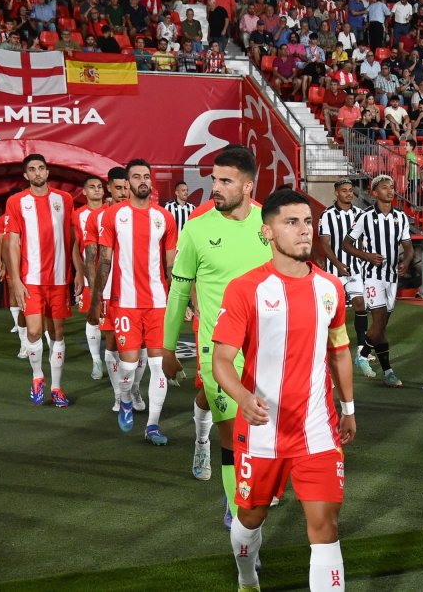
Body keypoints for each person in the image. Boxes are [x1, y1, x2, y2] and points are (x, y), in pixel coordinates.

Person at [214, 189, 356, 592]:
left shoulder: (330, 288)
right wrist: (243, 398)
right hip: (262, 431)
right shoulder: (246, 289)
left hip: (318, 430)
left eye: (307, 221)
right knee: (250, 519)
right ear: (268, 232)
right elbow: (221, 360)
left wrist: (348, 407)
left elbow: (339, 352)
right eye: (291, 223)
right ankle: (246, 577)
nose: (303, 231)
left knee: (325, 526)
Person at [161, 146, 271, 527]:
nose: (215, 188)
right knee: (235, 438)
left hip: (266, 351)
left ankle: (201, 438)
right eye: (214, 180)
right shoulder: (197, 227)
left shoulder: (268, 224)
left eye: (225, 181)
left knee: (260, 434)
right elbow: (178, 291)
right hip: (217, 350)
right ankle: (236, 508)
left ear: (248, 185)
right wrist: (167, 348)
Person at [93, 159, 178, 440]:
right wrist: (96, 298)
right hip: (125, 302)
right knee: (128, 366)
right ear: (127, 183)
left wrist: (180, 300)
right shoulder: (112, 216)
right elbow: (104, 260)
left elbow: (170, 266)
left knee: (158, 367)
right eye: (137, 176)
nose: (143, 180)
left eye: (147, 176)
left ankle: (153, 425)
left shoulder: (164, 218)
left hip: (158, 303)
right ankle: (126, 398)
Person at [4, 154, 80, 408]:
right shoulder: (16, 202)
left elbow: (71, 238)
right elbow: (12, 243)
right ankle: (38, 377)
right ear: (26, 176)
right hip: (32, 279)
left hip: (59, 279)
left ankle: (57, 387)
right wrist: (15, 279)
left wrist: (78, 271)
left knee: (57, 332)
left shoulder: (65, 199)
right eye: (32, 170)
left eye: (42, 168)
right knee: (35, 331)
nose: (38, 173)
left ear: (47, 172)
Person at [342, 174, 413, 388]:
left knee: (381, 327)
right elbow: (347, 244)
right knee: (379, 322)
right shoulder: (365, 217)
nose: (390, 191)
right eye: (384, 187)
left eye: (391, 187)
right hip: (372, 276)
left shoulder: (400, 217)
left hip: (392, 276)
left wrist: (407, 261)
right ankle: (367, 358)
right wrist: (367, 256)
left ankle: (381, 367)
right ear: (374, 192)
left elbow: (408, 246)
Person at [319, 179, 373, 377]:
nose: (349, 194)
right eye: (344, 191)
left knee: (360, 304)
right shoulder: (327, 215)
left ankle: (361, 349)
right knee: (331, 311)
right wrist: (337, 263)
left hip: (356, 269)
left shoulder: (360, 214)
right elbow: (325, 243)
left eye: (351, 191)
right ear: (336, 193)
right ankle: (326, 350)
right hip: (335, 270)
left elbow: (364, 241)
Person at [74, 176, 107, 380]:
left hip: (113, 275)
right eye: (92, 187)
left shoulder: (112, 211)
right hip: (89, 276)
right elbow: (74, 247)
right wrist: (79, 272)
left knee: (112, 318)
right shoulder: (78, 215)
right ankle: (96, 361)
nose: (96, 190)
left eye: (99, 187)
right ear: (84, 192)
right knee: (92, 316)